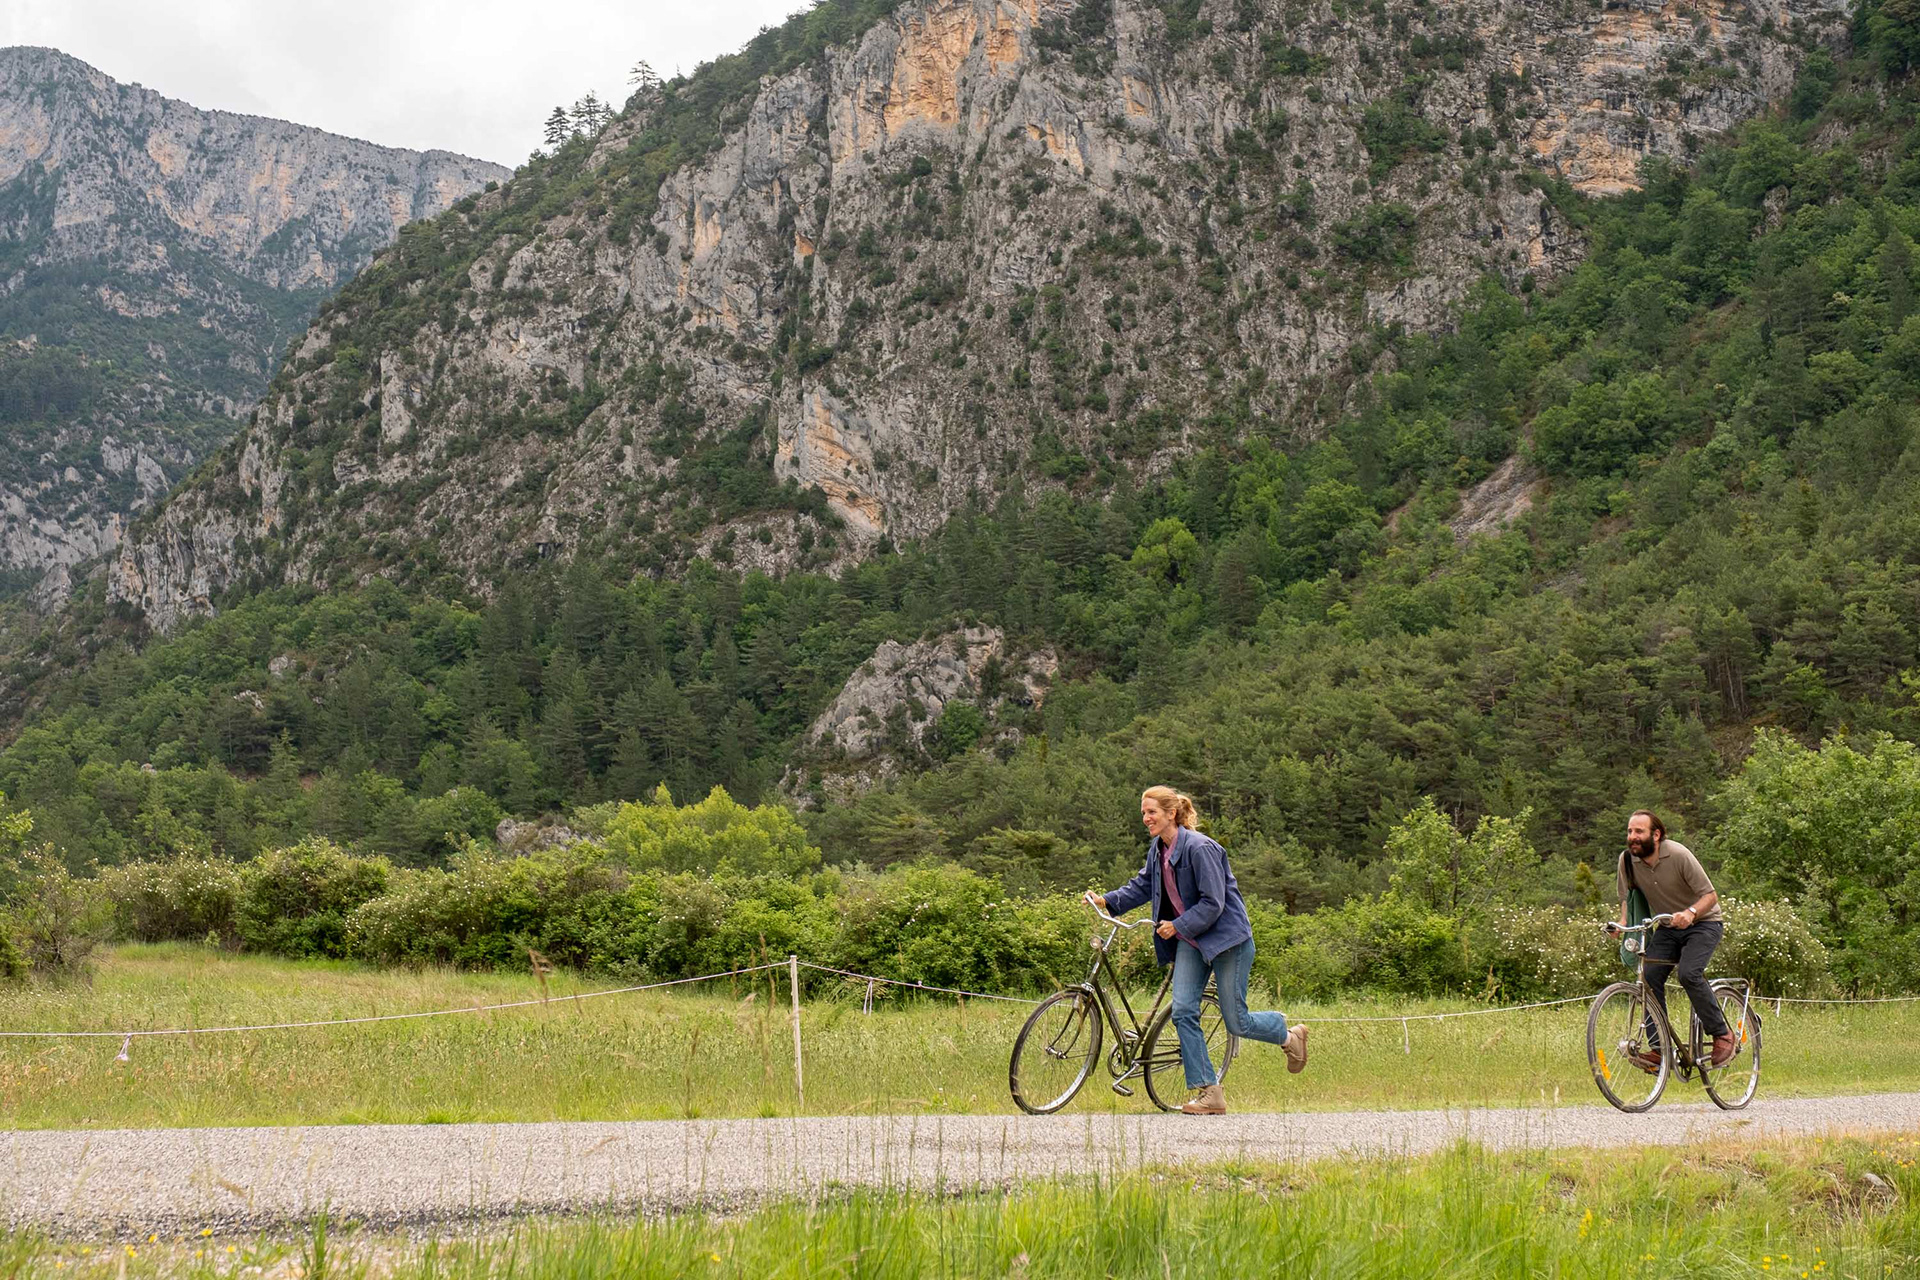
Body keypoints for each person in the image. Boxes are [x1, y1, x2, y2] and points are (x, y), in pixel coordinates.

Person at [1092, 786, 1306, 1115]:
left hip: (1227, 941)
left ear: (1171, 814)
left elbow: (1213, 903)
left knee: (1237, 1022)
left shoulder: (1201, 848)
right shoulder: (1157, 849)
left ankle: (1288, 1036)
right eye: (1143, 813)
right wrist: (1107, 900)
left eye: (1151, 812)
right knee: (1183, 1012)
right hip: (1192, 941)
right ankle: (1210, 1092)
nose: (1146, 818)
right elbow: (1142, 886)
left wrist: (1177, 926)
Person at [1608, 809, 1735, 1070]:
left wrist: (1690, 913)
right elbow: (1627, 899)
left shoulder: (1678, 855)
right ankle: (1659, 1049)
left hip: (1704, 923)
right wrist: (1622, 924)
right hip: (1667, 927)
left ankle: (1723, 1034)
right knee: (1649, 976)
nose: (1632, 837)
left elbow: (1711, 896)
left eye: (1639, 831)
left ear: (1656, 835)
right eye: (1630, 831)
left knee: (1689, 973)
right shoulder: (1627, 861)